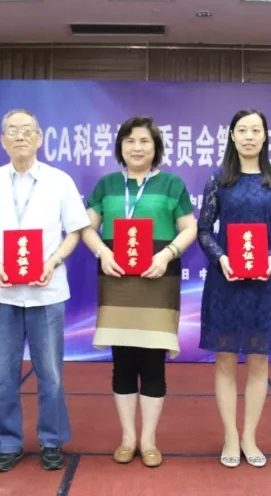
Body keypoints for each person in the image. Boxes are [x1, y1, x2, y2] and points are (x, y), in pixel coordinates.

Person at [0, 109, 90, 473]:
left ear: (39, 138)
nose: (19, 136)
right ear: (2, 141)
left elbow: (75, 231)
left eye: (26, 130)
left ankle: (52, 441)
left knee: (50, 374)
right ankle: (8, 443)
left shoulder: (59, 181)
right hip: (0, 293)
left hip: (46, 293)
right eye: (12, 131)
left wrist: (53, 260)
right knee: (4, 375)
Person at [80, 115, 197, 468]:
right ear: (120, 146)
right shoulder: (107, 185)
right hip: (118, 283)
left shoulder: (172, 184)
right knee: (123, 364)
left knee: (153, 364)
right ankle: (128, 437)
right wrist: (102, 252)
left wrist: (167, 254)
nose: (137, 147)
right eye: (130, 140)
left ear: (155, 147)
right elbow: (85, 226)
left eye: (145, 140)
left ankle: (148, 440)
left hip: (158, 282)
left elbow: (189, 228)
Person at [196, 109, 271, 468]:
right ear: (232, 136)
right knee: (225, 360)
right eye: (242, 130)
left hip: (264, 282)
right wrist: (221, 258)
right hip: (225, 281)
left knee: (258, 361)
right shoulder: (219, 179)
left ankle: (249, 437)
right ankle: (230, 435)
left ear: (265, 136)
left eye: (256, 130)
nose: (249, 136)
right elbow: (204, 230)